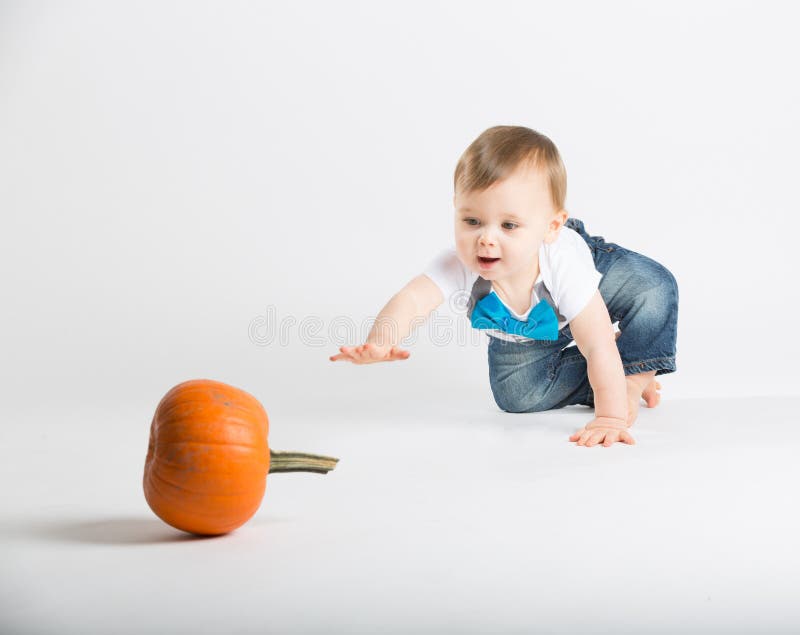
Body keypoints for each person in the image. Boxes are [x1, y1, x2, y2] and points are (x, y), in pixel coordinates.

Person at [330, 125, 679, 448]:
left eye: (509, 225)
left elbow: (598, 342)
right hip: (527, 324)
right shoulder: (459, 262)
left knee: (653, 289)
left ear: (551, 225)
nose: (485, 239)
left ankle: (633, 376)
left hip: (587, 280)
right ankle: (605, 382)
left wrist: (610, 416)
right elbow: (412, 300)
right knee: (517, 397)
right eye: (472, 221)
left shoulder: (565, 264)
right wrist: (380, 342)